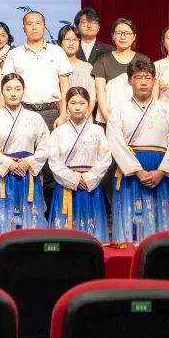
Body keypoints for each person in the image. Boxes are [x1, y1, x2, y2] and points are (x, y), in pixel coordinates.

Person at [106, 59, 169, 243]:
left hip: (160, 170)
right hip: (130, 171)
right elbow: (116, 143)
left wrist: (161, 171)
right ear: (129, 81)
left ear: (154, 81)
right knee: (131, 220)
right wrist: (138, 171)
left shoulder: (168, 110)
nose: (143, 82)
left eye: (148, 78)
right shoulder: (118, 110)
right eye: (138, 78)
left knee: (161, 218)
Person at [0, 74, 49, 237]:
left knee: (29, 219)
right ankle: (1, 249)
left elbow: (46, 145)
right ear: (2, 91)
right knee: (2, 219)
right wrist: (7, 163)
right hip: (3, 175)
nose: (13, 93)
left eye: (17, 89)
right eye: (8, 89)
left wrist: (29, 161)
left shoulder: (35, 118)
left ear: (23, 91)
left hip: (27, 173)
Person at [46, 87, 111, 241]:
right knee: (64, 237)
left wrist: (88, 178)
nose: (77, 107)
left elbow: (105, 158)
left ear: (89, 106)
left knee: (92, 233)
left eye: (82, 103)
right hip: (66, 186)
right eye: (73, 103)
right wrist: (74, 179)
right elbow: (54, 162)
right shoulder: (58, 132)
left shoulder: (97, 131)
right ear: (66, 106)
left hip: (90, 186)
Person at [2, 11, 71, 130]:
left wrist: (64, 114)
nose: (34, 27)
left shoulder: (58, 52)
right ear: (24, 28)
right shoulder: (14, 54)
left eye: (38, 23)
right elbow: (6, 87)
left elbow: (65, 86)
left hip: (52, 111)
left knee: (52, 143)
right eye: (29, 24)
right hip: (23, 111)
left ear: (44, 27)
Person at [92, 18, 150, 125]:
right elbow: (100, 90)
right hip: (109, 118)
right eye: (118, 33)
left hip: (139, 119)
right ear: (113, 36)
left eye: (127, 33)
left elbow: (149, 88)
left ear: (134, 36)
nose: (123, 36)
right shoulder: (103, 60)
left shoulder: (143, 60)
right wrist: (107, 118)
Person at [58, 25, 96, 108]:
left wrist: (87, 114)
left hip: (85, 114)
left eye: (75, 39)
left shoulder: (87, 67)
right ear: (60, 42)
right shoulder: (55, 66)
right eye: (67, 39)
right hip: (59, 114)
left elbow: (92, 97)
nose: (71, 43)